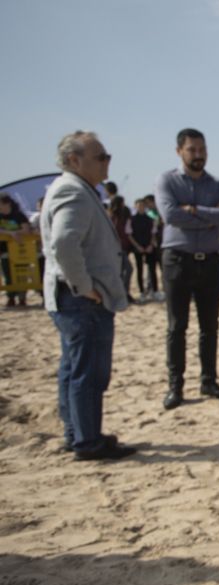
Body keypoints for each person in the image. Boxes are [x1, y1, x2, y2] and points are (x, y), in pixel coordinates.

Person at [40, 131, 135, 460]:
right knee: (88, 373)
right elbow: (64, 243)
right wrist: (84, 287)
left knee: (73, 368)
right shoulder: (72, 190)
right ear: (74, 161)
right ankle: (87, 441)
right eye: (101, 157)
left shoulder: (73, 188)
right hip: (81, 300)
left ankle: (78, 433)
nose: (107, 162)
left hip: (72, 298)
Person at [154, 128, 219, 410]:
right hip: (177, 260)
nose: (198, 155)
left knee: (209, 327)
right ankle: (175, 386)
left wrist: (192, 210)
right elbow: (170, 215)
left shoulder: (217, 184)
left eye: (202, 149)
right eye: (192, 150)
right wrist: (209, 214)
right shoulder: (167, 181)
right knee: (177, 326)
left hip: (211, 261)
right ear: (179, 151)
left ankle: (209, 381)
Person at [0, 192, 32, 307]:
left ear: (7, 203)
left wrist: (15, 233)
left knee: (22, 275)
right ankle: (11, 298)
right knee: (8, 275)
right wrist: (11, 233)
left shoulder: (18, 215)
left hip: (21, 250)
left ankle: (22, 298)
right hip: (4, 251)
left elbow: (27, 230)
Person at [125, 197, 157, 300]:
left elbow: (153, 233)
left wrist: (150, 245)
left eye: (142, 205)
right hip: (137, 247)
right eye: (139, 206)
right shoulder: (132, 219)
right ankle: (142, 291)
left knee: (152, 269)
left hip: (148, 246)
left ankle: (154, 291)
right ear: (135, 206)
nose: (141, 207)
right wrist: (137, 246)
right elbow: (129, 234)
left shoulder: (150, 219)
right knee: (139, 269)